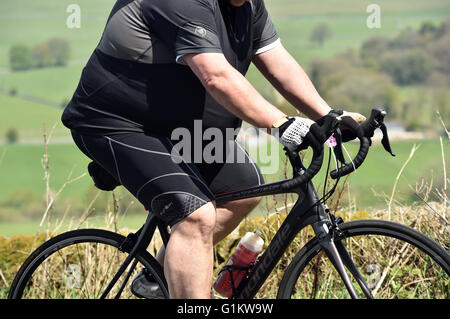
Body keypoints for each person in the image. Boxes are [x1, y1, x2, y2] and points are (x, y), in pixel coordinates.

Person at [61, 0, 364, 299]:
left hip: (178, 129)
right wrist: (282, 124)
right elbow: (216, 76)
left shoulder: (247, 6)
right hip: (116, 124)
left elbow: (277, 62)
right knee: (196, 216)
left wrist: (329, 117)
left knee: (246, 189)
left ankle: (159, 275)